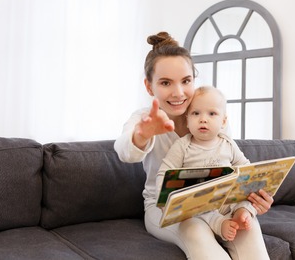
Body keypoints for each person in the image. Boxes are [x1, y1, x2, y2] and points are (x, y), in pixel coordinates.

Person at [114, 32, 273, 260]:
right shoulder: (144, 118)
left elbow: (236, 167)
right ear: (149, 87)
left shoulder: (210, 115)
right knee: (195, 229)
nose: (178, 92)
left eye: (186, 81)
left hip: (219, 204)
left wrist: (254, 197)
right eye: (166, 83)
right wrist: (143, 133)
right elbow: (123, 150)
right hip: (166, 210)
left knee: (249, 227)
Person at [156, 86, 259, 243]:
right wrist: (164, 199)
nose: (203, 119)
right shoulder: (182, 145)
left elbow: (246, 168)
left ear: (223, 121)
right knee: (195, 210)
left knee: (245, 201)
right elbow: (164, 173)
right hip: (200, 204)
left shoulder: (228, 143)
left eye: (212, 113)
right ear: (187, 120)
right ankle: (220, 224)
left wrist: (255, 183)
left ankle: (242, 213)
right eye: (196, 113)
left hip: (227, 199)